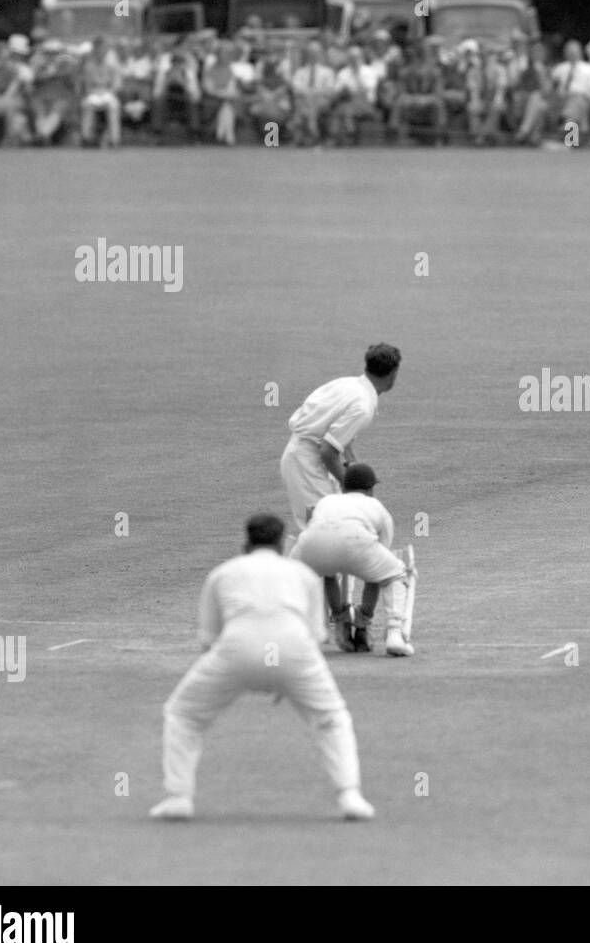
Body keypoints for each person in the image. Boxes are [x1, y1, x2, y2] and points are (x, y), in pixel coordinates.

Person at [149, 513, 376, 822]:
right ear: (282, 543)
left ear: (246, 542)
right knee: (331, 719)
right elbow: (315, 637)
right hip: (296, 650)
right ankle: (350, 795)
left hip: (236, 647)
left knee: (183, 714)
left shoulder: (223, 573)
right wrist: (283, 676)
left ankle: (178, 797)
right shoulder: (303, 574)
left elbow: (209, 640)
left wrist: (239, 674)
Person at [280, 343, 402, 588]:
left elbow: (341, 445)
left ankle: (336, 610)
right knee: (327, 533)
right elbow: (328, 451)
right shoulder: (362, 406)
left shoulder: (348, 384)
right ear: (392, 374)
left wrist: (356, 471)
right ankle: (295, 597)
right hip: (306, 463)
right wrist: (352, 490)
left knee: (332, 532)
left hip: (304, 455)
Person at [294, 464, 417, 656]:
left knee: (299, 574)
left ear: (344, 487)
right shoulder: (376, 505)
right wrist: (364, 615)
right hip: (356, 541)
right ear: (370, 489)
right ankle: (392, 633)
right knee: (394, 573)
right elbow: (378, 571)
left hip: (310, 544)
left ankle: (333, 621)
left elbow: (329, 575)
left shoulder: (326, 501)